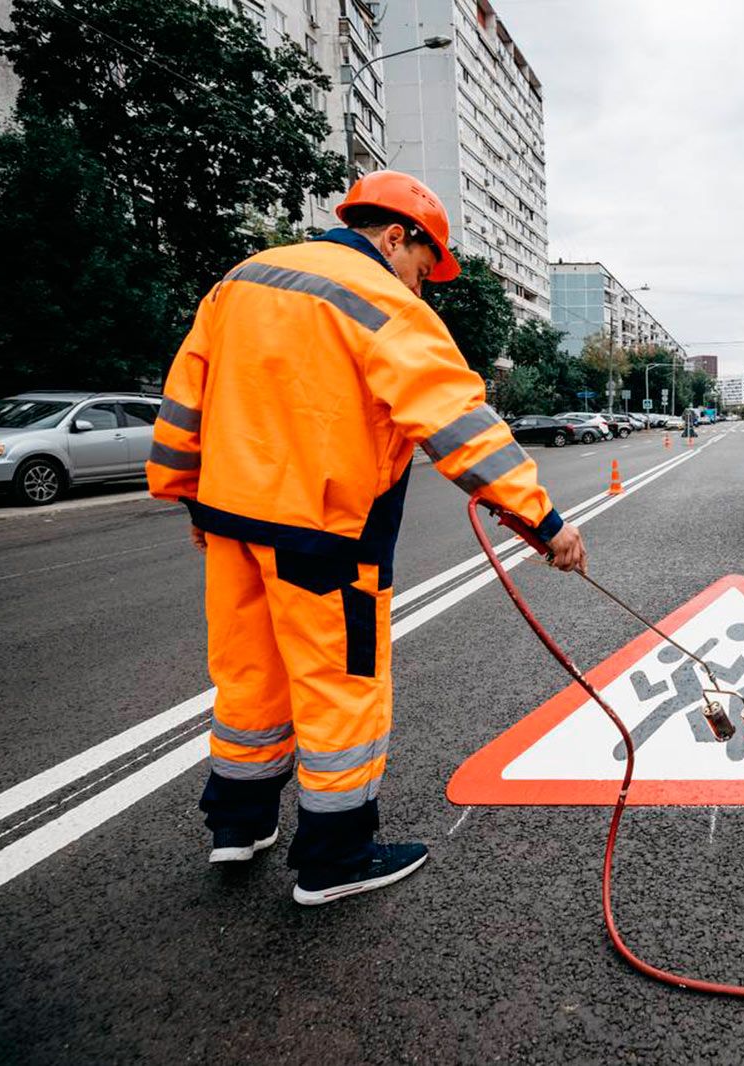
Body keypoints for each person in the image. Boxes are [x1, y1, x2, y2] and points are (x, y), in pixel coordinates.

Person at [147, 171, 586, 905]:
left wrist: (188, 498)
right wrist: (541, 522)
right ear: (394, 237)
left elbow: (186, 394)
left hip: (229, 523)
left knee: (249, 679)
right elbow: (460, 424)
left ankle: (237, 825)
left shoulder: (239, 282)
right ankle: (336, 857)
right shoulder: (381, 302)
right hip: (325, 535)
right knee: (339, 693)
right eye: (424, 266)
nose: (423, 285)